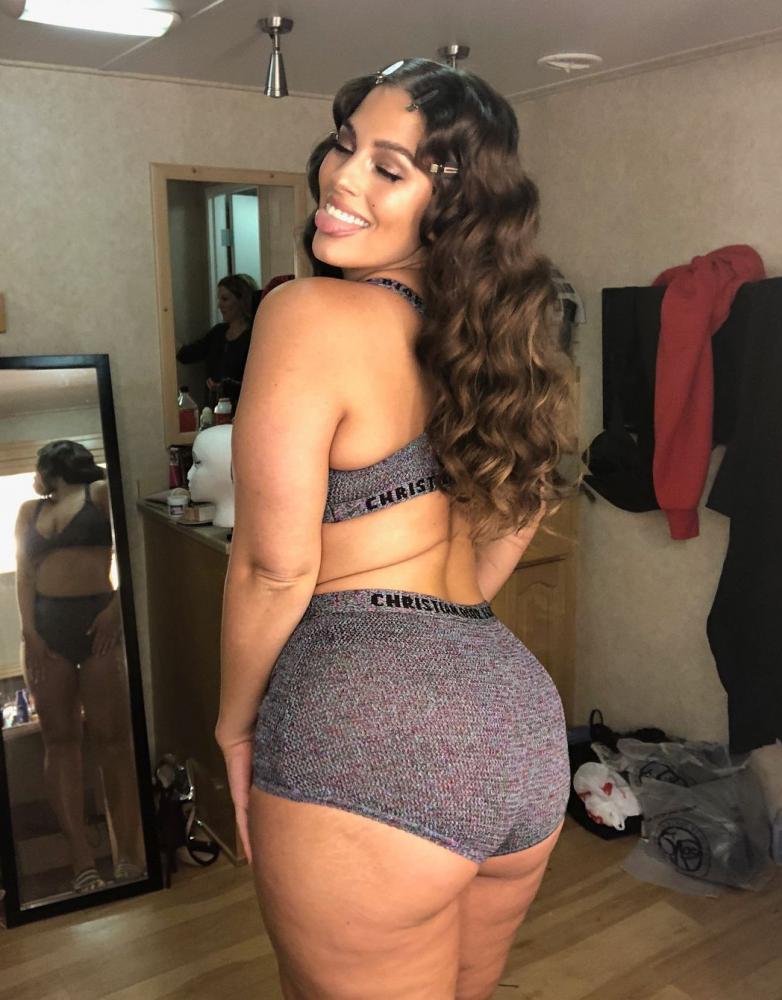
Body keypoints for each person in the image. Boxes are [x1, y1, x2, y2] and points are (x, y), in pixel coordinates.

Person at [216, 57, 575, 1000]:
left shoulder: (305, 313)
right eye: (345, 146)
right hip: (517, 724)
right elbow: (512, 524)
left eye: (388, 167)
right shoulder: (502, 344)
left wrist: (233, 726)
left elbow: (272, 569)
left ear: (450, 208)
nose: (340, 177)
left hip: (367, 728)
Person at [14, 440, 146, 894]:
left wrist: (116, 609)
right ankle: (81, 862)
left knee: (113, 741)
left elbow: (132, 551)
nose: (36, 477)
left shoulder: (100, 493)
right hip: (45, 630)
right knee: (60, 742)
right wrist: (30, 633)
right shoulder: (28, 511)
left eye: (38, 468)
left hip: (97, 625)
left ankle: (129, 855)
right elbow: (24, 574)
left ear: (52, 467)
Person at [176, 273, 258, 408]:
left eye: (225, 299)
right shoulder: (217, 333)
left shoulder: (255, 336)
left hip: (244, 409)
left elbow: (257, 381)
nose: (219, 305)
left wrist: (226, 387)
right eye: (219, 299)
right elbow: (186, 355)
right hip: (214, 410)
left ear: (242, 301)